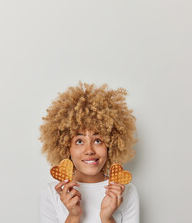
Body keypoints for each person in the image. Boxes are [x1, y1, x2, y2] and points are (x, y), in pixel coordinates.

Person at [39, 82, 139, 223]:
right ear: (66, 146)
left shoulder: (125, 192)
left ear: (111, 144)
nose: (89, 150)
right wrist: (73, 216)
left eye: (98, 140)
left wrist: (107, 218)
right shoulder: (52, 193)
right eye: (79, 141)